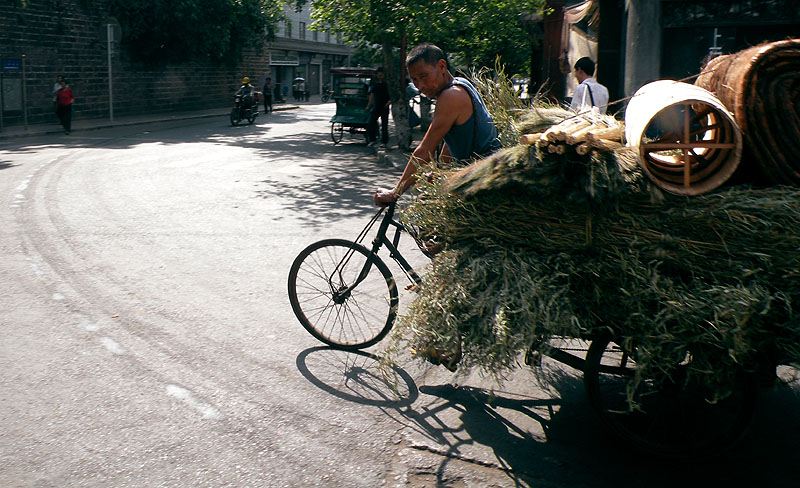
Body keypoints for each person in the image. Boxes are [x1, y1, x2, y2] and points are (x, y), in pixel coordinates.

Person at [373, 43, 500, 206]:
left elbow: (425, 151)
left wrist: (395, 192)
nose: (420, 86)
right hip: (480, 171)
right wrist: (441, 171)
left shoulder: (451, 96)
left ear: (441, 66)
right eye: (415, 80)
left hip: (482, 179)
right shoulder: (461, 83)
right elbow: (451, 139)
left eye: (423, 75)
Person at [365, 67, 391, 147]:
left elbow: (392, 94)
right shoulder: (374, 83)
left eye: (381, 75)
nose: (380, 76)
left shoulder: (387, 83)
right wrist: (368, 106)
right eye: (378, 75)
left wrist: (389, 102)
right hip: (376, 106)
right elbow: (372, 95)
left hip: (384, 106)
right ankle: (372, 140)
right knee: (370, 123)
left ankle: (384, 142)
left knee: (384, 125)